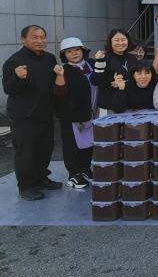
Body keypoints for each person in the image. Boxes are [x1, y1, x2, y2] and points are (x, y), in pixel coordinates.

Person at [2, 25, 63, 200]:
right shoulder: (14, 61)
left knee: (45, 150)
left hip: (45, 113)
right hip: (24, 117)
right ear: (23, 39)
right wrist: (18, 78)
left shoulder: (49, 58)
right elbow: (8, 88)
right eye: (34, 37)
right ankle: (26, 186)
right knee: (26, 153)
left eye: (42, 37)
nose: (40, 41)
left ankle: (41, 179)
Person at [55, 37, 97, 189]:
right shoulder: (63, 70)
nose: (74, 53)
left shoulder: (93, 64)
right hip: (72, 115)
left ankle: (85, 168)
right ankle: (73, 174)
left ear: (83, 51)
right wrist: (59, 76)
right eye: (69, 51)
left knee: (89, 142)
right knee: (73, 145)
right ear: (64, 55)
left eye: (77, 50)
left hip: (92, 112)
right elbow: (59, 93)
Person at [91, 29, 138, 114]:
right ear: (110, 42)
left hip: (129, 104)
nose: (120, 43)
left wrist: (124, 83)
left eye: (123, 40)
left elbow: (136, 79)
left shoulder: (132, 58)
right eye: (116, 40)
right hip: (109, 106)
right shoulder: (104, 58)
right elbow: (95, 81)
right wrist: (99, 61)